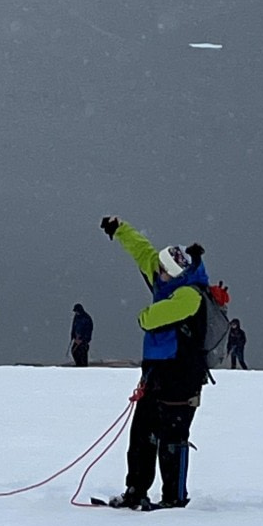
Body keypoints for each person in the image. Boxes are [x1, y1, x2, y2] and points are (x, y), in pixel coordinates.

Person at [100, 217, 212, 510]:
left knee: (173, 439)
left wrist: (142, 317)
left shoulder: (190, 295)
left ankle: (174, 498)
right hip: (156, 371)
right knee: (142, 434)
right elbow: (142, 251)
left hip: (182, 377)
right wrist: (119, 229)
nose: (158, 272)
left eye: (164, 271)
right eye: (160, 267)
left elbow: (151, 318)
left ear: (177, 275)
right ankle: (135, 490)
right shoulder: (165, 273)